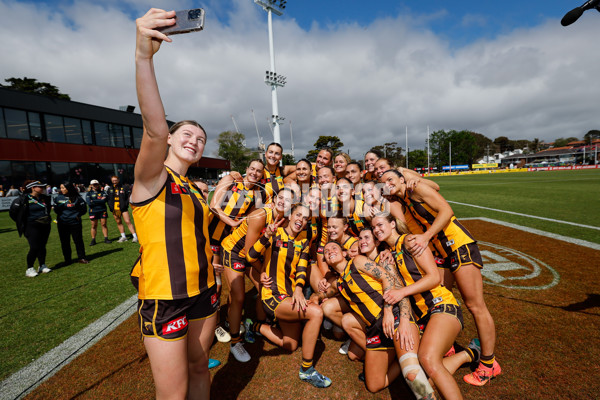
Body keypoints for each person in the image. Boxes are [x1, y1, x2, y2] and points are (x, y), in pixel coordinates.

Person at [130, 9, 218, 398]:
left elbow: (212, 233)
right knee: (173, 393)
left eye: (200, 139)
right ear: (170, 138)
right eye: (187, 133)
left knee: (201, 366)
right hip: (164, 298)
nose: (194, 140)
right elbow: (154, 126)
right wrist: (144, 58)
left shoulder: (195, 188)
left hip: (204, 289)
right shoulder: (152, 178)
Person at [381, 169, 501, 386]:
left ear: (401, 178)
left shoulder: (414, 188)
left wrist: (426, 236)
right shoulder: (404, 200)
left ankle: (488, 363)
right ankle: (450, 345)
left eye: (391, 178)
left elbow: (446, 210)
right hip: (442, 253)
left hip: (457, 245)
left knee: (475, 305)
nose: (387, 183)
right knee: (440, 299)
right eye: (383, 182)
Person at [372, 213, 481, 399]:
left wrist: (402, 292)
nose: (376, 229)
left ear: (392, 224)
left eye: (380, 224)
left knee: (428, 359)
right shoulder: (390, 252)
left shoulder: (410, 241)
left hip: (442, 306)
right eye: (373, 227)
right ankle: (470, 352)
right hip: (424, 316)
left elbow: (434, 277)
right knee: (421, 378)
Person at [246, 204, 332, 388]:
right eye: (298, 215)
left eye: (306, 218)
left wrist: (300, 289)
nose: (301, 220)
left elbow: (302, 268)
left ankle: (253, 326)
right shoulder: (274, 233)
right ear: (290, 216)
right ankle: (307, 370)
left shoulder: (303, 241)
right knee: (316, 312)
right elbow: (250, 257)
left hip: (290, 296)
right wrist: (266, 236)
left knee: (290, 344)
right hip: (272, 296)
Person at [220, 188, 296, 362]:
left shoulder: (285, 221)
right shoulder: (260, 215)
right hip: (235, 252)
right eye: (281, 197)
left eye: (288, 200)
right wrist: (262, 270)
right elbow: (248, 253)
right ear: (275, 199)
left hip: (253, 255)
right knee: (238, 297)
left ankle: (254, 324)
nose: (283, 201)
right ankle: (235, 342)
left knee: (264, 288)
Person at [9, 180, 53, 277]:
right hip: (31, 226)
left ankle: (42, 265)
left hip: (45, 225)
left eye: (43, 187)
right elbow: (13, 213)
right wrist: (22, 223)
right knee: (34, 247)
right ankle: (29, 268)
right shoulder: (23, 199)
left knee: (42, 246)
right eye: (40, 187)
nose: (42, 188)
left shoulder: (44, 198)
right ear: (33, 188)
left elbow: (48, 209)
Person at [54, 182, 89, 265]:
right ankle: (67, 260)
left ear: (68, 188)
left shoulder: (77, 198)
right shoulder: (58, 198)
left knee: (78, 241)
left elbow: (83, 209)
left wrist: (77, 215)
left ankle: (81, 258)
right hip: (62, 223)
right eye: (61, 188)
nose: (62, 190)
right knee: (65, 242)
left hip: (75, 223)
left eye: (63, 188)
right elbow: (56, 210)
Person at [107, 175, 138, 243]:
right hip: (115, 209)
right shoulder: (110, 189)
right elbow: (108, 199)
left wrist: (125, 205)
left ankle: (135, 236)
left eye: (115, 180)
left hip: (123, 208)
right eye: (113, 180)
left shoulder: (124, 187)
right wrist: (111, 207)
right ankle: (123, 236)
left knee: (128, 221)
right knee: (118, 222)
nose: (114, 182)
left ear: (118, 180)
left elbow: (128, 197)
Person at [86, 180, 111, 245]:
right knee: (94, 225)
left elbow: (104, 201)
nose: (95, 186)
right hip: (93, 211)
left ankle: (106, 238)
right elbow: (89, 203)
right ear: (91, 185)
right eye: (94, 184)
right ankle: (93, 240)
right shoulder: (89, 193)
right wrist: (99, 200)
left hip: (102, 210)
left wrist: (94, 201)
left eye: (96, 184)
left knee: (103, 224)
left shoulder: (103, 192)